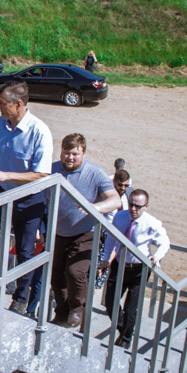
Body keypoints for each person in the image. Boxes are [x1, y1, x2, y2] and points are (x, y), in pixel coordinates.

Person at [0, 81, 52, 316]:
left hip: (28, 197)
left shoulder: (39, 131)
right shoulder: (1, 125)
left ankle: (20, 298)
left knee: (25, 251)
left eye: (2, 103)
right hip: (1, 190)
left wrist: (8, 175)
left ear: (18, 104)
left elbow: (42, 174)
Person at [49, 134, 119, 329]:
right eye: (66, 153)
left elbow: (115, 200)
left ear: (84, 153)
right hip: (58, 232)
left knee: (75, 271)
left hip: (85, 233)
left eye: (75, 154)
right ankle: (62, 313)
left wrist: (95, 207)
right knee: (56, 276)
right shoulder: (53, 170)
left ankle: (77, 308)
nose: (70, 158)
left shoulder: (95, 173)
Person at [101, 189, 169, 349]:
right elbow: (111, 238)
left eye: (138, 206)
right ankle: (123, 328)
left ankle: (125, 339)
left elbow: (164, 242)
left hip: (139, 270)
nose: (133, 209)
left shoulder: (152, 223)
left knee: (131, 308)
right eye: (131, 204)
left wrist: (157, 256)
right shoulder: (120, 217)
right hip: (119, 265)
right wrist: (106, 258)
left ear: (146, 206)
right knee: (110, 302)